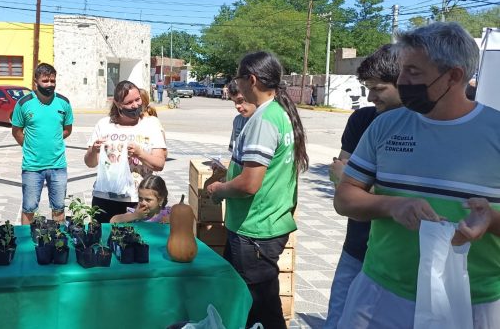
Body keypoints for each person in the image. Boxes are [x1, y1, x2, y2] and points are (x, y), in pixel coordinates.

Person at [334, 22, 500, 328]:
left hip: (476, 303)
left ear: (454, 76)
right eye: (402, 71)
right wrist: (391, 205)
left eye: (414, 72)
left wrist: (491, 219)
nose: (402, 81)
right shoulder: (385, 126)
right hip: (381, 293)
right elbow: (345, 199)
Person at [206, 52, 308, 329]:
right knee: (257, 306)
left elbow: (249, 183)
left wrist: (219, 188)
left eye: (239, 79)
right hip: (265, 224)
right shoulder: (279, 112)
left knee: (262, 310)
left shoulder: (263, 120)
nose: (237, 85)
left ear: (250, 80)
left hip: (255, 230)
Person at [324, 44, 402, 329]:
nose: (370, 96)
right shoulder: (362, 119)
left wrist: (354, 185)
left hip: (398, 257)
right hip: (356, 245)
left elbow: (346, 178)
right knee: (338, 319)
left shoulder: (421, 127)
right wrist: (350, 185)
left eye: (378, 89)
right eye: (367, 87)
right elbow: (340, 180)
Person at [84, 80, 167, 223]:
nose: (135, 105)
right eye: (129, 102)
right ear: (117, 104)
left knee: (136, 242)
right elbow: (90, 163)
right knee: (104, 239)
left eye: (137, 99)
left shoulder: (151, 124)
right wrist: (94, 150)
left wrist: (140, 154)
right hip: (104, 197)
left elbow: (159, 164)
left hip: (138, 200)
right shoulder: (104, 124)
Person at [11, 63, 73, 224]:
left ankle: (59, 244)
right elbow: (16, 131)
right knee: (29, 208)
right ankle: (26, 243)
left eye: (52, 81)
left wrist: (53, 141)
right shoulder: (24, 103)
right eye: (45, 81)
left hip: (58, 165)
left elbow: (67, 129)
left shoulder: (63, 103)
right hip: (32, 167)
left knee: (59, 207)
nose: (49, 85)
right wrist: (31, 145)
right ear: (35, 82)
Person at [226, 79, 256, 152]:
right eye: (234, 101)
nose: (237, 106)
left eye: (241, 100)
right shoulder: (238, 120)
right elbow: (234, 152)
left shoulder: (265, 121)